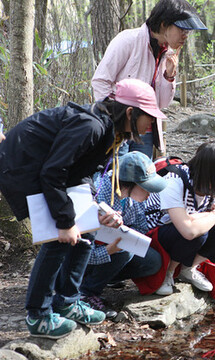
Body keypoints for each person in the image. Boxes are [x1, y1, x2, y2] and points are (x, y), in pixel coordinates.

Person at [0, 78, 166, 339]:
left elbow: (84, 172)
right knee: (58, 240)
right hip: (23, 167)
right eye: (149, 118)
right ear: (131, 113)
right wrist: (65, 222)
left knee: (87, 227)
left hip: (53, 174)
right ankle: (39, 315)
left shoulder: (112, 132)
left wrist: (97, 207)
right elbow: (53, 172)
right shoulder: (90, 126)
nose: (150, 127)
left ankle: (67, 300)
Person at [92, 0, 207, 158]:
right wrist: (113, 119)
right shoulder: (128, 40)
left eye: (188, 31)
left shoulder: (168, 53)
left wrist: (169, 76)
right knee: (115, 175)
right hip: (119, 126)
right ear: (163, 24)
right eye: (181, 29)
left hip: (146, 128)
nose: (185, 35)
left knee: (142, 177)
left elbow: (163, 103)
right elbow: (100, 81)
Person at [144, 141, 215, 296]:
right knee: (200, 232)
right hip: (155, 235)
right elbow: (188, 231)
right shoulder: (174, 181)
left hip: (183, 231)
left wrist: (210, 218)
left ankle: (188, 268)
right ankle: (168, 273)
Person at [79, 151, 167, 314]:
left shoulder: (133, 197)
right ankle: (85, 292)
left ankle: (107, 278)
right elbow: (80, 251)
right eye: (146, 188)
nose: (150, 194)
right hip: (86, 256)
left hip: (115, 249)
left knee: (153, 262)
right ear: (130, 183)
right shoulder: (97, 196)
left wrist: (127, 233)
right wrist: (108, 251)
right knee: (125, 251)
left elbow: (141, 227)